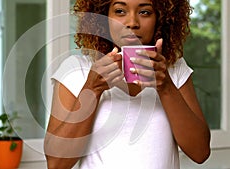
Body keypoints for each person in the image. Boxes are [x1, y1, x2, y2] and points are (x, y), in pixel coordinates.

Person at [44, 0, 211, 168]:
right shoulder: (76, 69)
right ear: (103, 16)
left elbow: (200, 152)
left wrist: (166, 87)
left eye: (145, 12)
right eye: (120, 11)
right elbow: (56, 164)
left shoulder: (173, 69)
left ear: (161, 18)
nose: (132, 23)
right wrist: (92, 89)